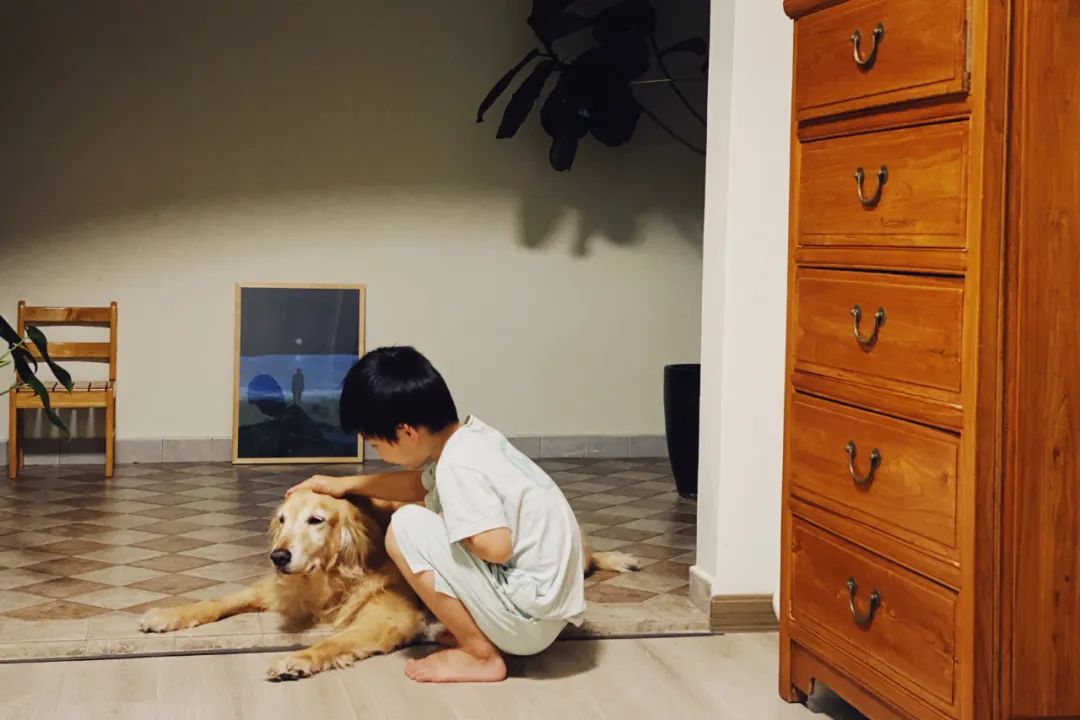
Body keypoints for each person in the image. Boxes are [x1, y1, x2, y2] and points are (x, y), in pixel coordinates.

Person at [286, 346, 585, 683]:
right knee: (421, 520)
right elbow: (420, 484)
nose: (378, 453)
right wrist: (344, 484)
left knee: (406, 527)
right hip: (548, 611)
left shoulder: (458, 468)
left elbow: (496, 546)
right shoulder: (472, 441)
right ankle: (483, 630)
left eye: (375, 444)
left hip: (527, 622)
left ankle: (480, 655)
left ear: (405, 432)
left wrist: (449, 525)